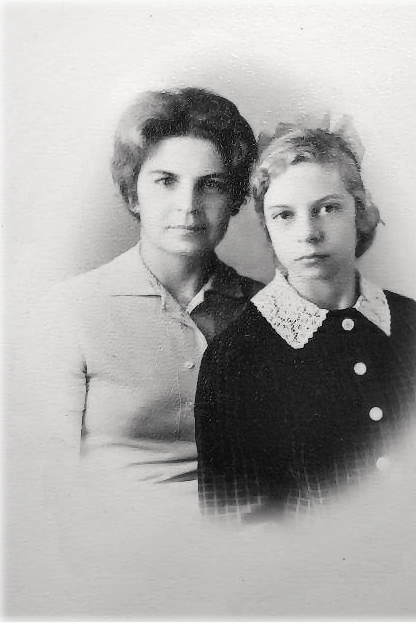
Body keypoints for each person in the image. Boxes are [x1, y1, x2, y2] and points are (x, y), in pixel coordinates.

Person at [194, 123, 416, 521]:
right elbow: (235, 522)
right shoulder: (234, 357)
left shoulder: (413, 322)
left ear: (359, 213)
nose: (308, 233)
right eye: (285, 215)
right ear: (268, 229)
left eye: (328, 208)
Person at [38, 87, 262, 489]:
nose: (188, 205)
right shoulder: (71, 309)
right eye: (166, 181)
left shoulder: (270, 309)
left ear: (234, 198)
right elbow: (45, 482)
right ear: (133, 194)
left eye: (211, 184)